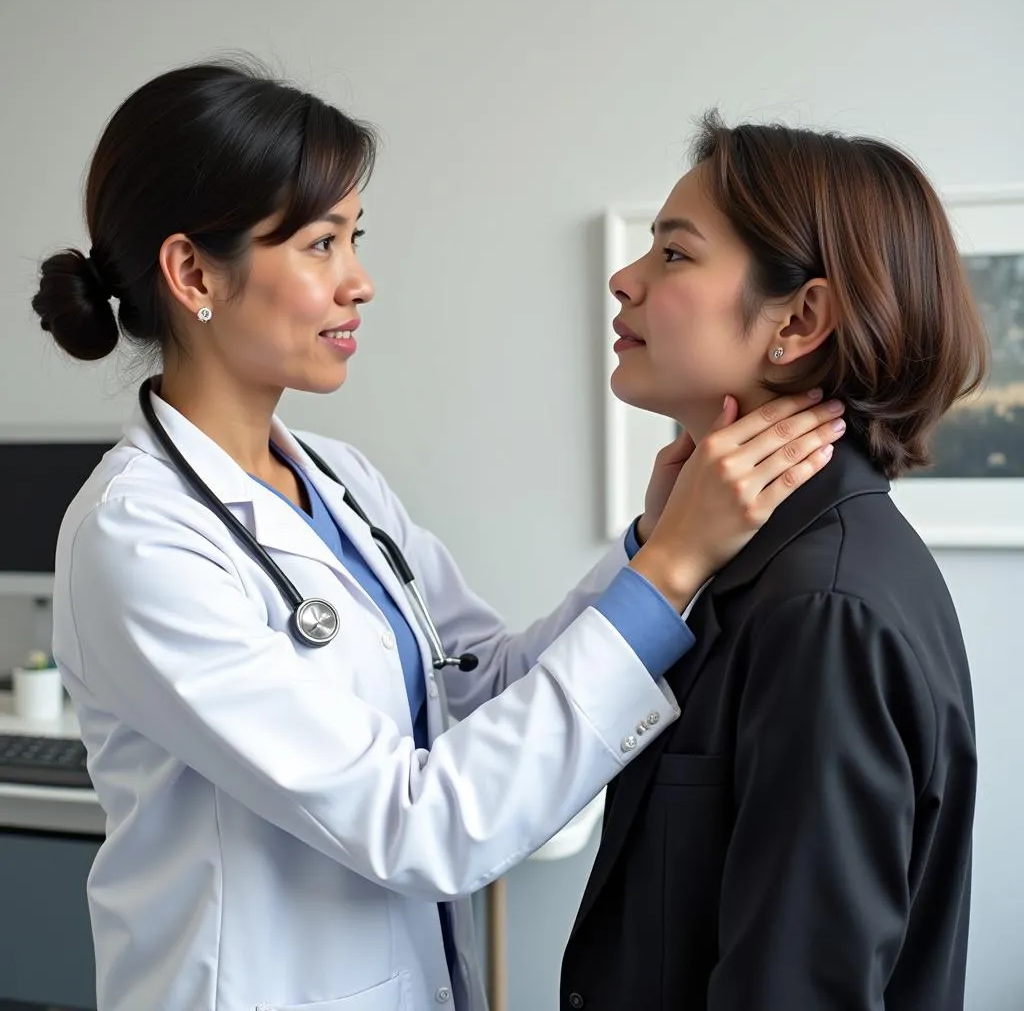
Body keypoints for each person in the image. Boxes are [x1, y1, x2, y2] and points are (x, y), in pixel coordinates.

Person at [30, 64, 841, 1011]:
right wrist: (668, 575)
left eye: (355, 239)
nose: (360, 282)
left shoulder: (338, 480)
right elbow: (416, 825)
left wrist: (648, 544)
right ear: (194, 273)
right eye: (322, 243)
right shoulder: (138, 538)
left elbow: (475, 685)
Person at [559, 112, 986, 1011]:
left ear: (799, 319)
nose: (624, 279)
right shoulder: (761, 565)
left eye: (674, 255)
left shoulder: (822, 606)